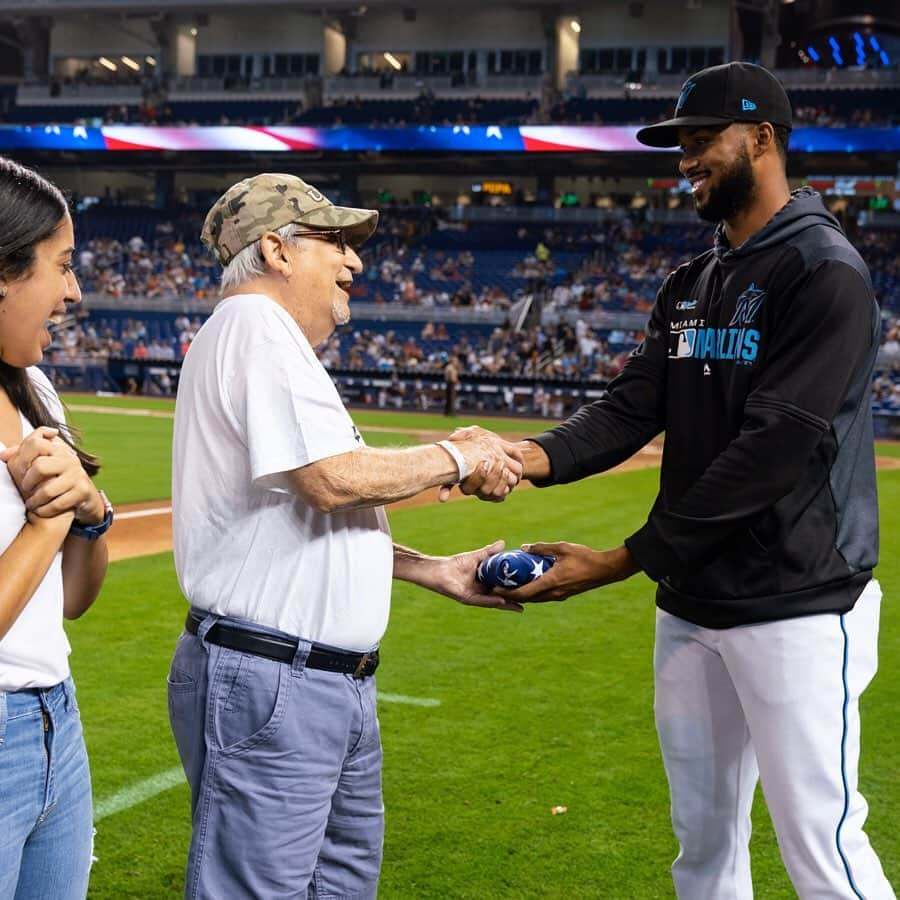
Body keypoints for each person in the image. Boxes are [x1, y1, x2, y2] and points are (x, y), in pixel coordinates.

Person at [450, 63, 895, 898]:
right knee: (702, 848)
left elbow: (773, 452)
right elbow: (628, 410)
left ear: (761, 138)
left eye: (701, 141)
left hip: (796, 602)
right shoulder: (692, 282)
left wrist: (622, 559)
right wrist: (521, 455)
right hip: (693, 610)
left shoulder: (822, 270)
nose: (684, 160)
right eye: (680, 144)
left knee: (821, 847)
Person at [168, 173, 522, 899]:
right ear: (276, 249)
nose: (354, 260)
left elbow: (293, 518)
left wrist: (430, 569)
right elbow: (330, 479)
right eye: (333, 240)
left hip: (315, 679)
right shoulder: (254, 327)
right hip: (275, 678)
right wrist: (462, 454)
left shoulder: (265, 339)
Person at [0, 157, 113, 899]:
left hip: (54, 719)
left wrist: (92, 517)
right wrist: (48, 517)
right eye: (62, 267)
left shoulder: (37, 389)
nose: (73, 291)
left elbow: (74, 598)